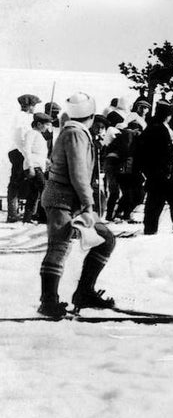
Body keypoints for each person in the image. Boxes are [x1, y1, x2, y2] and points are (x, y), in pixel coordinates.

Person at [37, 92, 118, 318]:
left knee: (105, 240)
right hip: (62, 200)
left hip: (69, 201)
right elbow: (78, 174)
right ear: (90, 115)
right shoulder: (75, 134)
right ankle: (49, 302)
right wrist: (88, 204)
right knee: (59, 247)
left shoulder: (76, 132)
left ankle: (84, 292)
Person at [136, 100, 173, 235]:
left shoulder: (151, 127)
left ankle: (150, 228)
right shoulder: (160, 128)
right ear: (166, 115)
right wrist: (170, 168)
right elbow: (166, 151)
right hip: (162, 170)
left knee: (155, 200)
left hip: (155, 170)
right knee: (170, 198)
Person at [8, 93, 41, 222]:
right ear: (30, 106)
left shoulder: (27, 117)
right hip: (19, 152)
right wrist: (26, 154)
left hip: (22, 151)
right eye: (34, 105)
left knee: (24, 182)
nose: (34, 108)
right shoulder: (21, 118)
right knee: (16, 182)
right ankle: (12, 214)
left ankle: (23, 213)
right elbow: (19, 138)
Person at [21, 113, 51, 223]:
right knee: (44, 190)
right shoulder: (31, 133)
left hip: (37, 166)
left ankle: (28, 218)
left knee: (33, 192)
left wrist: (47, 161)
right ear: (39, 124)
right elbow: (27, 149)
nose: (48, 127)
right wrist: (30, 166)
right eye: (46, 125)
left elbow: (39, 153)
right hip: (33, 166)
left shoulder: (39, 136)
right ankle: (42, 217)